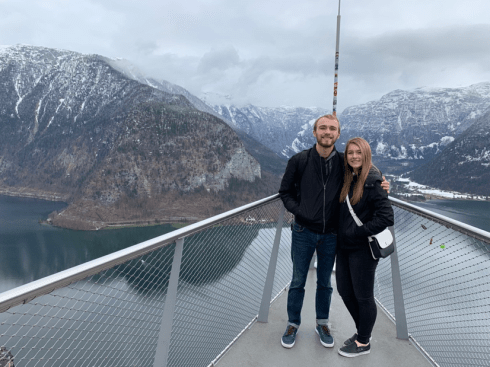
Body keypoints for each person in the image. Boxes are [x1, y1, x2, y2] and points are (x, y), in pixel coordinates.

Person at [278, 115, 389, 349]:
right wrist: (301, 211)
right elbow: (285, 192)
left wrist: (384, 183)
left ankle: (322, 323)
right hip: (303, 231)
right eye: (323, 128)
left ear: (338, 134)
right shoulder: (298, 161)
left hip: (331, 236)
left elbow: (367, 171)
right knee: (298, 280)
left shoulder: (344, 162)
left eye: (332, 129)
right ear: (314, 132)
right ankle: (293, 323)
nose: (327, 132)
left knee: (325, 284)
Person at [336, 137, 394, 358]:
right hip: (344, 247)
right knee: (344, 290)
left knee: (363, 296)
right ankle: (363, 332)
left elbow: (387, 217)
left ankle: (363, 342)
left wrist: (357, 232)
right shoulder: (350, 176)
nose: (354, 156)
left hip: (362, 249)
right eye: (350, 152)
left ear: (366, 154)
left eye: (358, 152)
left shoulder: (372, 179)